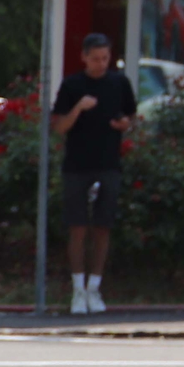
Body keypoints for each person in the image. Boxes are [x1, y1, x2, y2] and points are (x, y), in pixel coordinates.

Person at [49, 32, 134, 315]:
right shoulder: (72, 85)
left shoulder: (119, 83)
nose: (101, 64)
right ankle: (78, 290)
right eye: (95, 58)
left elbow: (129, 118)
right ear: (84, 57)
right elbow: (59, 127)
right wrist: (79, 108)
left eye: (105, 58)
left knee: (102, 227)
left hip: (109, 163)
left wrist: (124, 125)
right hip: (77, 165)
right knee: (77, 227)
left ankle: (95, 288)